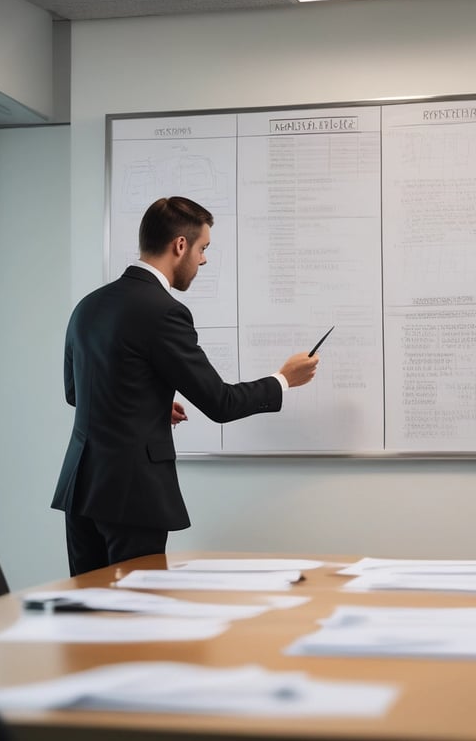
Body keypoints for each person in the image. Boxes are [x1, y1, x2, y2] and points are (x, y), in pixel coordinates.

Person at [51, 196, 320, 576]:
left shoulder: (89, 306)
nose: (204, 260)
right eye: (203, 248)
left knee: (87, 614)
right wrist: (283, 380)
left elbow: (77, 394)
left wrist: (153, 405)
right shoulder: (163, 311)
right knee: (140, 618)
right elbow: (220, 402)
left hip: (81, 489)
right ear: (180, 245)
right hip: (132, 494)